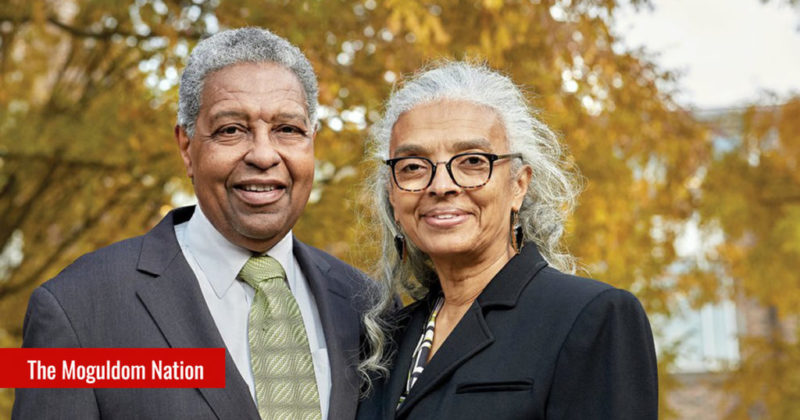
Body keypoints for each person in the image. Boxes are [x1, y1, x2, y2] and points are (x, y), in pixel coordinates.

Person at [13, 27, 374, 420]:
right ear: (186, 147)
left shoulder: (367, 306)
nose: (263, 155)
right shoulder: (77, 306)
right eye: (231, 130)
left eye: (287, 129)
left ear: (312, 141)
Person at [355, 61, 658, 419]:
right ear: (392, 194)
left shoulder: (589, 318)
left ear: (518, 185)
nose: (441, 185)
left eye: (472, 161)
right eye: (413, 167)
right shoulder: (382, 340)